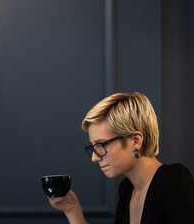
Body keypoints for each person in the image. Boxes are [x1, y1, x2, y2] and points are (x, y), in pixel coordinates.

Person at [47, 92, 194, 224]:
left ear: (136, 141)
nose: (94, 158)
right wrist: (72, 210)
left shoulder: (174, 181)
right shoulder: (127, 189)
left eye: (101, 145)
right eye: (93, 147)